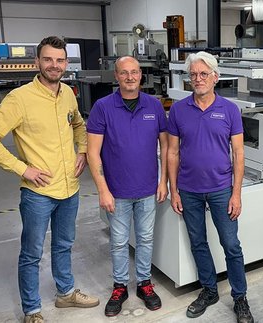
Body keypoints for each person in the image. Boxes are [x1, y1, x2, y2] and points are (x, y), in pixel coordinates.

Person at [0, 36, 99, 323]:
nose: (54, 65)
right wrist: (22, 169)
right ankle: (32, 310)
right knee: (32, 253)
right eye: (48, 59)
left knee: (64, 244)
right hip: (38, 192)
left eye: (59, 60)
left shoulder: (68, 93)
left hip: (69, 188)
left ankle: (65, 292)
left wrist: (81, 150)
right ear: (37, 62)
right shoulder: (20, 98)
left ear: (66, 63)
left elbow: (79, 124)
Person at [167, 51, 254, 323]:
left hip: (221, 189)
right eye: (193, 75)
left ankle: (240, 297)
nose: (198, 79)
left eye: (204, 74)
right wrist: (174, 189)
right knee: (198, 242)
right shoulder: (179, 109)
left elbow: (238, 154)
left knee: (231, 244)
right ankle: (209, 290)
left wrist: (236, 193)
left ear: (215, 77)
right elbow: (172, 152)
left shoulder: (229, 110)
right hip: (189, 189)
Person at [86, 56, 168, 317]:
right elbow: (93, 152)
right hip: (117, 191)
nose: (130, 77)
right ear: (116, 76)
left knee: (145, 239)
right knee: (119, 242)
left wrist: (163, 180)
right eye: (124, 73)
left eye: (134, 72)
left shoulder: (154, 106)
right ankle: (119, 286)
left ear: (141, 76)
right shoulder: (102, 107)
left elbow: (166, 146)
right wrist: (102, 189)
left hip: (147, 189)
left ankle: (144, 283)